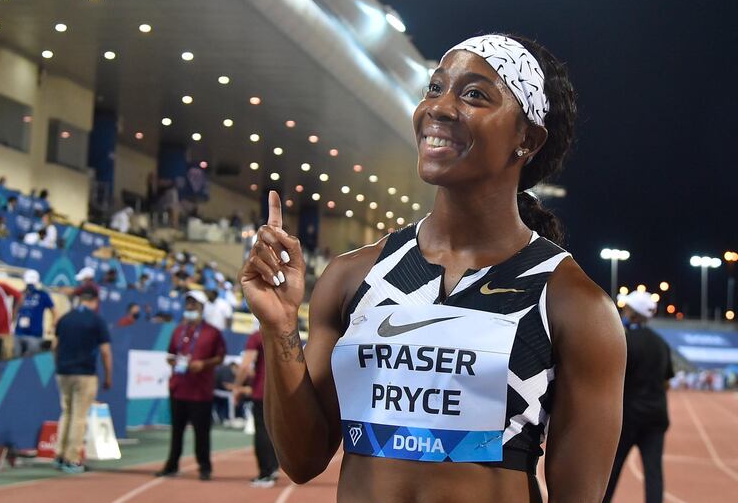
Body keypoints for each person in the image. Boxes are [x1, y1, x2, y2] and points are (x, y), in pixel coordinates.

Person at [241, 34, 627, 502]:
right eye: (435, 88)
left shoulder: (571, 303)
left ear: (526, 137)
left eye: (473, 94)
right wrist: (279, 326)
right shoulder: (353, 277)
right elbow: (302, 460)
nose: (439, 108)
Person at [603, 291, 674, 503]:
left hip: (629, 416)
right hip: (656, 416)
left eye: (626, 309)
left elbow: (613, 380)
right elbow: (667, 382)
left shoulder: (625, 340)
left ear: (633, 314)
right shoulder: (661, 343)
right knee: (653, 473)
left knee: (612, 469)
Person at [156, 291, 226, 481]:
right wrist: (173, 362)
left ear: (202, 308)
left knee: (201, 433)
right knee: (176, 431)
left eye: (193, 305)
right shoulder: (179, 330)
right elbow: (170, 354)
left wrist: (203, 364)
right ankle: (171, 465)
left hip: (201, 391)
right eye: (187, 305)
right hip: (178, 388)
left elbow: (220, 357)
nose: (189, 308)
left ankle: (204, 467)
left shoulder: (213, 332)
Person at [53, 287, 112, 473]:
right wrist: (108, 376)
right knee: (79, 416)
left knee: (67, 413)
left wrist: (59, 365)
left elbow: (55, 346)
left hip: (63, 372)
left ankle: (59, 455)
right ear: (95, 300)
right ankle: (72, 458)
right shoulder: (96, 320)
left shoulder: (65, 318)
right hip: (84, 373)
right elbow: (105, 351)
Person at [233, 329, 279, 488]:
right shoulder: (286, 333)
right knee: (275, 431)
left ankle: (266, 473)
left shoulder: (257, 336)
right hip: (282, 392)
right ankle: (273, 468)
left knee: (262, 431)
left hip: (263, 391)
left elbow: (245, 365)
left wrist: (237, 387)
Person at [12, 270, 55, 357]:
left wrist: (52, 326)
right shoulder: (19, 294)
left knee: (31, 360)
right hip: (19, 333)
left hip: (35, 335)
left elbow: (54, 311)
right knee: (15, 359)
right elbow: (14, 311)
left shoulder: (42, 295)